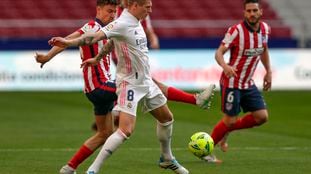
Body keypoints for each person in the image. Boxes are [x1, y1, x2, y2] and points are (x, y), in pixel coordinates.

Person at [48, 0, 190, 173]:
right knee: (125, 130)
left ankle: (69, 168)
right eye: (147, 7)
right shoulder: (119, 23)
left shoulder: (135, 22)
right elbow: (92, 37)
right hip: (125, 83)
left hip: (140, 82)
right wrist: (67, 43)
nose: (151, 10)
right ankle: (93, 169)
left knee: (165, 118)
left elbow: (109, 43)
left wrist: (97, 57)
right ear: (135, 6)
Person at [35, 1, 119, 174]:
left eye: (115, 12)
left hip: (95, 90)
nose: (112, 15)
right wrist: (47, 57)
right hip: (100, 86)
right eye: (109, 11)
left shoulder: (109, 29)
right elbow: (67, 41)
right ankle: (119, 112)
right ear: (98, 10)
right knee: (138, 86)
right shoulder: (91, 26)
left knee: (105, 133)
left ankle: (69, 168)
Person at [202, 0, 272, 163]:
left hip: (248, 83)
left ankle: (228, 131)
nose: (252, 14)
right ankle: (206, 150)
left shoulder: (266, 29)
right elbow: (219, 53)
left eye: (255, 10)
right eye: (249, 11)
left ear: (261, 12)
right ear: (244, 13)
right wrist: (225, 65)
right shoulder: (236, 31)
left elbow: (264, 50)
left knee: (261, 117)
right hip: (231, 82)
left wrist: (268, 71)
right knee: (229, 120)